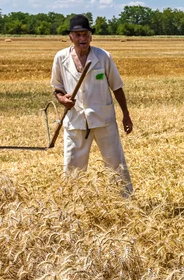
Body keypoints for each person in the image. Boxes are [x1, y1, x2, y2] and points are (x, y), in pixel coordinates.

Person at [50, 14, 133, 196]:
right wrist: (62, 99)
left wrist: (126, 114)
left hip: (103, 119)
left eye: (85, 34)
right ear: (70, 37)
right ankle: (73, 203)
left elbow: (117, 86)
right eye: (78, 35)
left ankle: (125, 201)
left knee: (116, 164)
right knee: (72, 167)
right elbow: (57, 88)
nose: (82, 39)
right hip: (76, 121)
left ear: (91, 36)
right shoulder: (60, 58)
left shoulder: (103, 57)